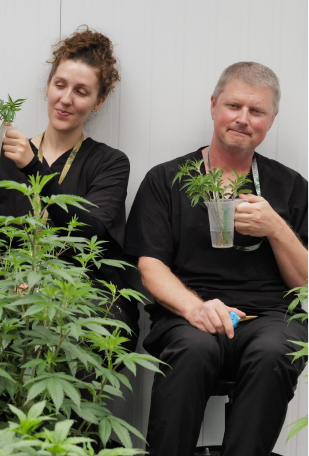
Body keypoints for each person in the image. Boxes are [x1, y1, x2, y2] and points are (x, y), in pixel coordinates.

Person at [125, 62, 309, 456]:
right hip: (188, 315)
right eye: (233, 106)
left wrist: (276, 227)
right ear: (213, 106)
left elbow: (304, 283)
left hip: (269, 318)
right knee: (194, 350)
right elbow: (150, 266)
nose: (243, 119)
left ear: (271, 120)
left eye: (256, 111)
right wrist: (195, 307)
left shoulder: (290, 186)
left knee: (277, 351)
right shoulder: (166, 179)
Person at [0, 26, 140, 352]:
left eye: (81, 91)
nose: (66, 99)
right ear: (48, 87)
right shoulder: (3, 155)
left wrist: (32, 167)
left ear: (98, 101)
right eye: (60, 85)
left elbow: (92, 232)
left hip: (87, 301)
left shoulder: (110, 163)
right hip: (15, 295)